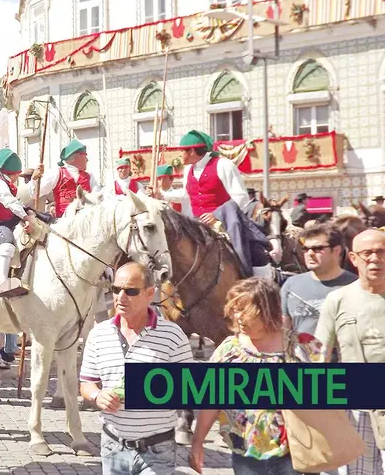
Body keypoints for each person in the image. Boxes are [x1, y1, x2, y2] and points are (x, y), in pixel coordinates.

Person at [189, 277, 325, 475]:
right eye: (235, 310)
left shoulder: (301, 347)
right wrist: (197, 441)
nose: (239, 318)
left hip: (296, 455)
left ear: (268, 310)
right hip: (246, 457)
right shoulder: (229, 349)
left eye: (247, 311)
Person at [79, 262, 194, 475]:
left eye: (131, 291)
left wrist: (152, 389)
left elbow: (190, 389)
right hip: (113, 446)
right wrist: (97, 396)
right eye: (115, 290)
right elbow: (87, 382)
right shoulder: (98, 334)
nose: (121, 297)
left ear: (150, 294)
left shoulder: (173, 335)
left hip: (158, 449)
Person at [315, 229, 385, 475]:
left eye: (381, 252)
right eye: (367, 253)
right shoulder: (338, 300)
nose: (375, 259)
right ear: (354, 259)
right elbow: (319, 355)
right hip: (357, 407)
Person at [160, 130, 273, 279]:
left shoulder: (223, 165)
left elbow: (241, 197)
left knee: (254, 251)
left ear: (192, 151)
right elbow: (186, 195)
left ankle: (259, 281)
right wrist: (161, 195)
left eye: (182, 151)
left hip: (224, 224)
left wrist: (217, 215)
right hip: (196, 225)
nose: (180, 155)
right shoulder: (188, 170)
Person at [281, 223, 356, 337]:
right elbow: (284, 331)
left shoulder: (356, 285)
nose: (310, 254)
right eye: (305, 249)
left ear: (336, 250)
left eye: (317, 249)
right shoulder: (291, 285)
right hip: (301, 354)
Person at [0, 148, 37, 297]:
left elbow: (23, 197)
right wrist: (25, 218)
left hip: (11, 220)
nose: (18, 177)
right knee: (7, 244)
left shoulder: (9, 184)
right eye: (17, 174)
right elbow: (10, 202)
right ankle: (3, 282)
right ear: (12, 173)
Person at [30, 140, 101, 217]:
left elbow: (97, 199)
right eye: (85, 156)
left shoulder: (90, 177)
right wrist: (35, 179)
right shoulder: (57, 173)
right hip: (62, 223)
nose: (87, 160)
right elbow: (34, 194)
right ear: (75, 157)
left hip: (85, 223)